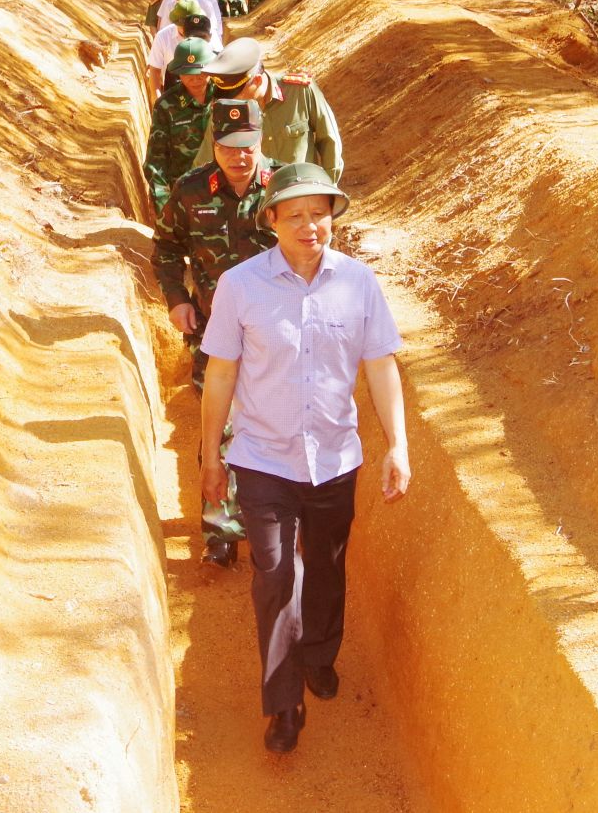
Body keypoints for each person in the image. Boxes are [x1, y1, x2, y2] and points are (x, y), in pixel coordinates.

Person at [199, 162, 410, 754]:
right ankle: (284, 701)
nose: (308, 225)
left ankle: (318, 651)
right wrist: (212, 455)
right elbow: (221, 373)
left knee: (325, 564)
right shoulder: (240, 285)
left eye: (319, 213)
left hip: (335, 458)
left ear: (333, 218)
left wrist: (398, 444)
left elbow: (380, 365)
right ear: (270, 220)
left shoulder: (359, 283)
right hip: (263, 458)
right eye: (294, 214)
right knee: (276, 574)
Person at [153, 100, 280, 567]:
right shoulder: (190, 190)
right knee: (219, 426)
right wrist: (177, 299)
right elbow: (166, 248)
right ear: (215, 143)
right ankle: (221, 531)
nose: (238, 157)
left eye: (246, 146)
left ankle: (272, 523)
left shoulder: (285, 189)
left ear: (260, 139)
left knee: (273, 424)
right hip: (214, 333)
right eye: (228, 147)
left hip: (276, 335)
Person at [192, 37, 343, 181]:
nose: (233, 102)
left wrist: (328, 189)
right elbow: (204, 163)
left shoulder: (300, 92)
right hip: (258, 197)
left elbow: (330, 141)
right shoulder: (227, 110)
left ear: (257, 81)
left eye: (237, 94)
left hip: (301, 191)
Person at [143, 38, 216, 213]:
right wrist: (165, 208)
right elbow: (155, 162)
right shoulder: (166, 106)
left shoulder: (227, 97)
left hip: (223, 196)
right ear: (178, 73)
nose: (196, 79)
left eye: (201, 72)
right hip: (183, 199)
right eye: (188, 73)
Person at [145, 0, 211, 103]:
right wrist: (157, 103)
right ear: (176, 23)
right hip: (173, 94)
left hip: (204, 92)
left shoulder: (209, 34)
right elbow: (155, 72)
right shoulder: (163, 37)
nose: (188, 28)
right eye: (185, 26)